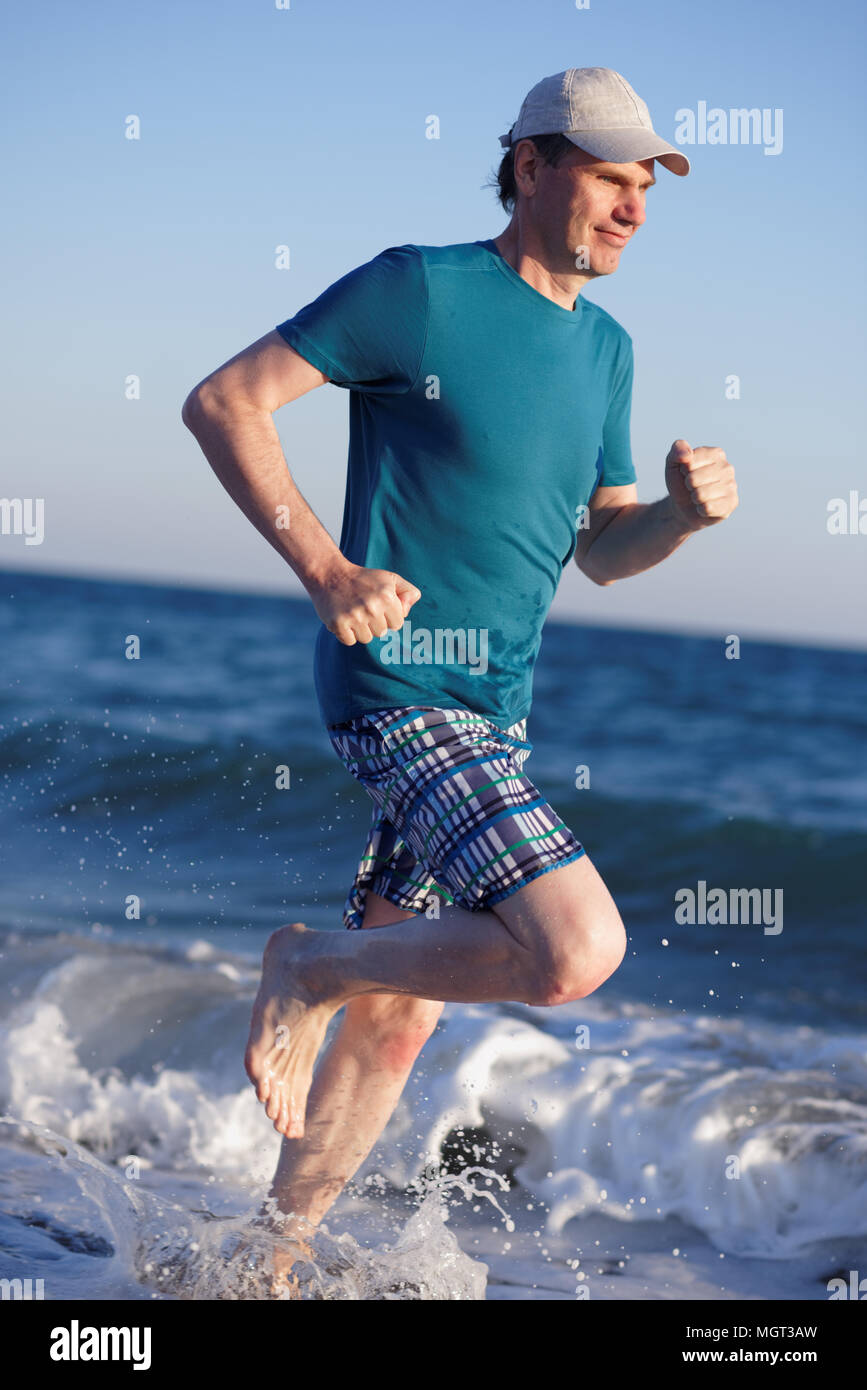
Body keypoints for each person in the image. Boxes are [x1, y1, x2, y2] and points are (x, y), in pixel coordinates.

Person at [181, 67, 738, 1255]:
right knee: (576, 948)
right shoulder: (418, 292)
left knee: (395, 1020)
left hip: (495, 715)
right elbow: (226, 402)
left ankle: (266, 1266)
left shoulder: (608, 353)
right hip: (401, 692)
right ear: (530, 166)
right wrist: (328, 572)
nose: (634, 207)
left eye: (647, 187)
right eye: (608, 179)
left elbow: (602, 549)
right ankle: (309, 963)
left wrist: (679, 519)